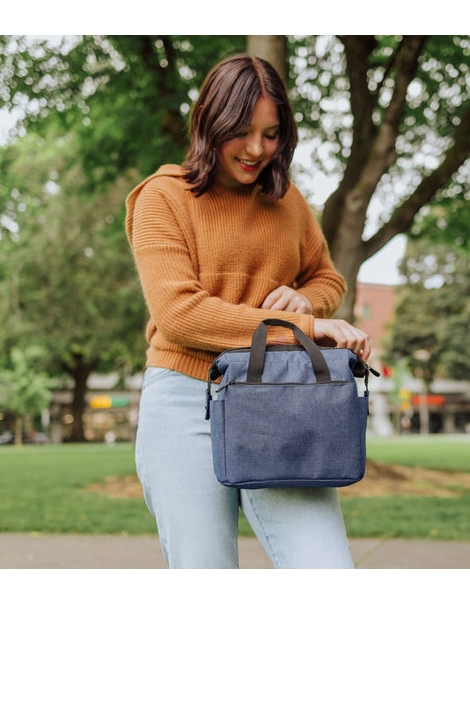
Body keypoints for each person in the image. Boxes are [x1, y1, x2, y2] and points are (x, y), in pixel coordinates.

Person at [125, 53, 371, 569]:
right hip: (185, 401)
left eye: (272, 134)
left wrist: (307, 298)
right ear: (209, 122)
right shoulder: (163, 198)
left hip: (280, 398)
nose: (257, 149)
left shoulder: (287, 201)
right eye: (242, 131)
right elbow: (180, 314)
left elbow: (327, 277)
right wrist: (301, 326)